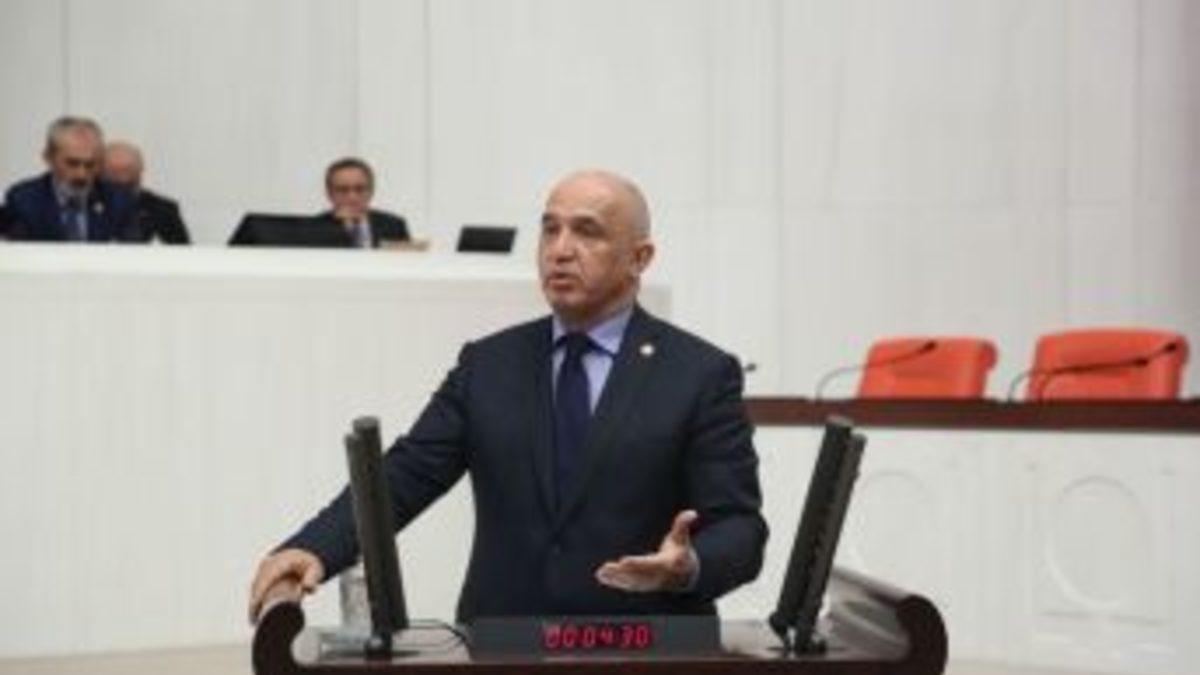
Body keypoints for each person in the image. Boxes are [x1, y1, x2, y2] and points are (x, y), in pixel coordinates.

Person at [248, 169, 766, 623]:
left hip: (646, 646)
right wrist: (315, 547)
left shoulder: (698, 374)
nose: (560, 249)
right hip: (502, 644)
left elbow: (740, 527)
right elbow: (406, 474)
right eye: (550, 229)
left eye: (587, 231)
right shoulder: (489, 365)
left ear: (639, 258)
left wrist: (687, 567)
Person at [4, 116, 138, 242]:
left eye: (90, 165)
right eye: (72, 163)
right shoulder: (25, 200)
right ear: (48, 157)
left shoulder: (118, 201)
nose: (81, 175)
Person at [102, 141, 191, 244]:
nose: (121, 178)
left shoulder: (164, 211)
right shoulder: (89, 208)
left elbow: (182, 252)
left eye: (127, 170)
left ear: (140, 170)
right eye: (113, 171)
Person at [313, 157, 409, 248]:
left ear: (371, 191)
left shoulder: (393, 226)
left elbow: (406, 258)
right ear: (329, 193)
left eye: (360, 189)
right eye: (343, 190)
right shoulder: (315, 228)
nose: (352, 197)